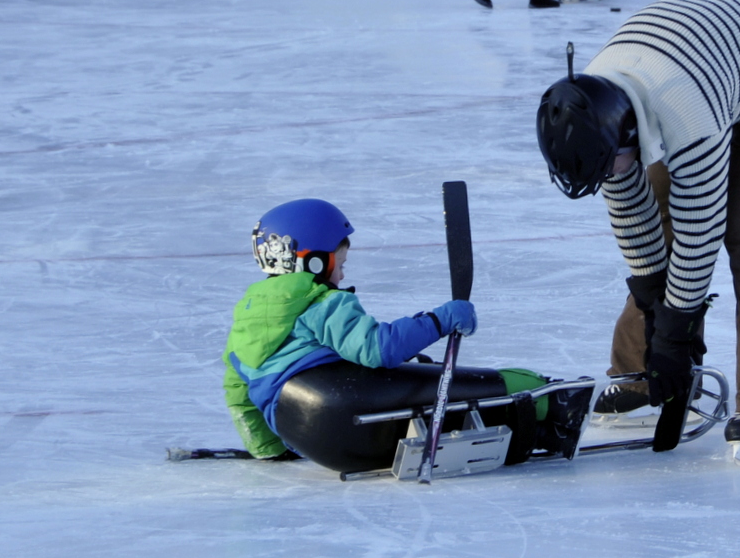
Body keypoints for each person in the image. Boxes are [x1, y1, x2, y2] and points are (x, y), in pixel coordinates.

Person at [536, 0, 740, 464]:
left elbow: (702, 233)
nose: (612, 175)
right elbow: (633, 215)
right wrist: (660, 315)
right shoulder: (594, 108)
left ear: (627, 131)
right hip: (703, 54)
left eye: (610, 163)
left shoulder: (686, 114)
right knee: (658, 207)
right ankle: (637, 378)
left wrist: (675, 338)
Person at [223, 199, 589, 473]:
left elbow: (237, 394)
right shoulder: (322, 303)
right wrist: (440, 320)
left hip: (315, 439)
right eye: (340, 261)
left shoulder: (246, 321)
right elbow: (379, 349)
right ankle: (548, 400)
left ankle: (528, 424)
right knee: (474, 388)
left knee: (419, 382)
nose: (342, 271)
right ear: (313, 260)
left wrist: (269, 447)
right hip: (350, 414)